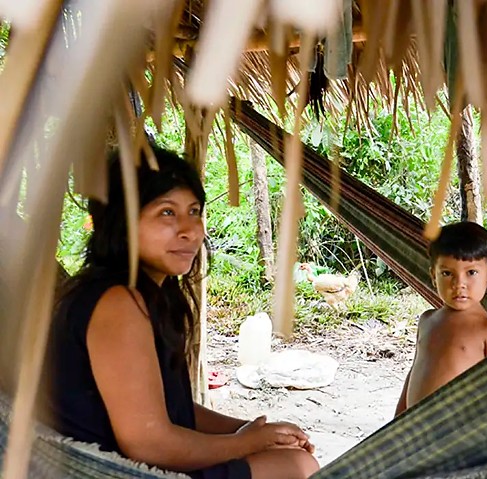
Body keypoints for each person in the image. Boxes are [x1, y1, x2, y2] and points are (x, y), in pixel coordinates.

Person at [41, 147, 319, 479]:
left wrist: (250, 430)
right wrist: (247, 442)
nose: (190, 230)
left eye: (194, 211)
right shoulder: (117, 304)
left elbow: (170, 409)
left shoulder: (150, 294)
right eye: (167, 213)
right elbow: (149, 444)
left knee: (287, 458)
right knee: (296, 467)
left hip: (130, 464)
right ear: (122, 220)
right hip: (109, 471)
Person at [395, 221, 487, 416]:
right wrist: (397, 419)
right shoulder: (427, 320)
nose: (459, 284)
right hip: (414, 429)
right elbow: (414, 372)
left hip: (457, 434)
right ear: (433, 275)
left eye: (471, 273)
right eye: (447, 273)